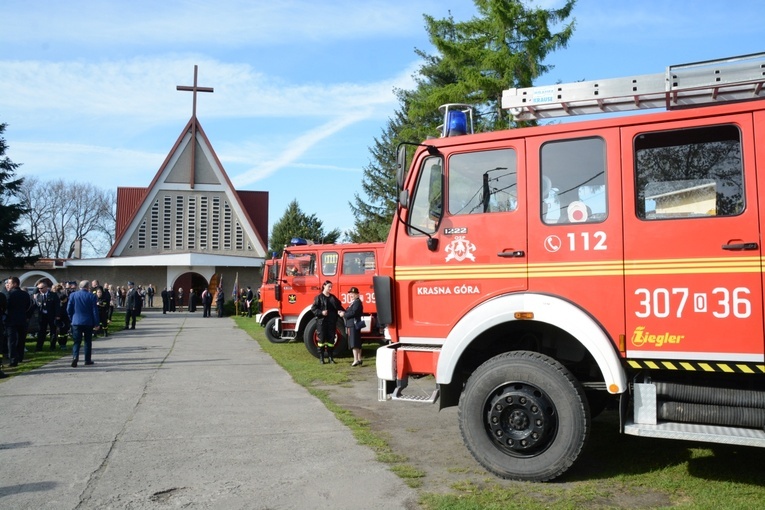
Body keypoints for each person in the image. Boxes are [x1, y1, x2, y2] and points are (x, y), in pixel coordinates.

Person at [310, 280, 344, 364]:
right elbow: (313, 309)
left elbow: (339, 306)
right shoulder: (318, 297)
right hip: (321, 322)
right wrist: (321, 313)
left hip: (331, 322)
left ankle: (330, 358)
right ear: (324, 286)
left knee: (331, 341)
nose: (330, 288)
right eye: (329, 286)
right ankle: (321, 359)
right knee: (321, 341)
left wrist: (342, 312)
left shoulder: (333, 298)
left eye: (331, 287)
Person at [67, 280, 100, 367]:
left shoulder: (73, 295)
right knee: (87, 341)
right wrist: (96, 323)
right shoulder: (92, 296)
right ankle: (87, 359)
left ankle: (75, 357)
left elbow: (68, 309)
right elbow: (94, 311)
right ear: (88, 287)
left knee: (76, 341)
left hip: (76, 321)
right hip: (88, 321)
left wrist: (71, 318)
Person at [4, 276, 32, 368]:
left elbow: (5, 306)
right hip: (22, 319)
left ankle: (13, 360)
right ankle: (20, 357)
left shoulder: (9, 294)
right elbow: (29, 306)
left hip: (11, 320)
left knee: (11, 340)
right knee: (21, 339)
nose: (8, 285)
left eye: (9, 283)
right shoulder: (25, 294)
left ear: (15, 284)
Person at [35, 281, 61, 352]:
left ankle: (52, 346)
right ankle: (39, 347)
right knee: (41, 331)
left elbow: (57, 306)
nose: (39, 290)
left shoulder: (53, 295)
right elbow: (36, 306)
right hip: (42, 316)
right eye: (38, 288)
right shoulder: (38, 296)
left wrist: (57, 315)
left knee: (53, 331)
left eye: (41, 288)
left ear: (46, 288)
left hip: (51, 316)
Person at [343, 287, 364, 366]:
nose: (351, 295)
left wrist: (344, 314)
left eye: (353, 294)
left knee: (354, 342)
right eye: (351, 294)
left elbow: (353, 312)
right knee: (357, 341)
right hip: (354, 324)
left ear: (357, 294)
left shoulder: (357, 303)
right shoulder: (355, 302)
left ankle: (356, 360)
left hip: (353, 324)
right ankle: (359, 359)